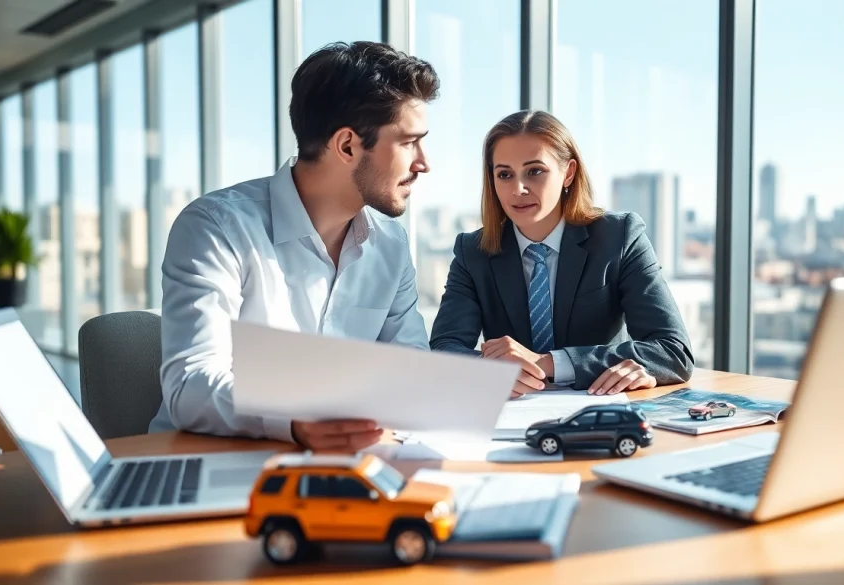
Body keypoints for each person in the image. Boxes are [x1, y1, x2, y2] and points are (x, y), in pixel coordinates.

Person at [149, 41, 439, 452]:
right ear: (347, 146)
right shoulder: (216, 228)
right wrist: (294, 416)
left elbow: (410, 370)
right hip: (208, 463)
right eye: (410, 142)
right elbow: (189, 384)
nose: (423, 162)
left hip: (345, 467)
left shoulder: (390, 243)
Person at [429, 110, 694, 397]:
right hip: (508, 415)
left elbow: (673, 350)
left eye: (534, 171)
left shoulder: (619, 237)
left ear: (568, 173)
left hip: (598, 412)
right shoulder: (473, 253)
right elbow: (444, 353)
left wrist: (547, 363)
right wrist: (493, 370)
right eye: (504, 174)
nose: (518, 188)